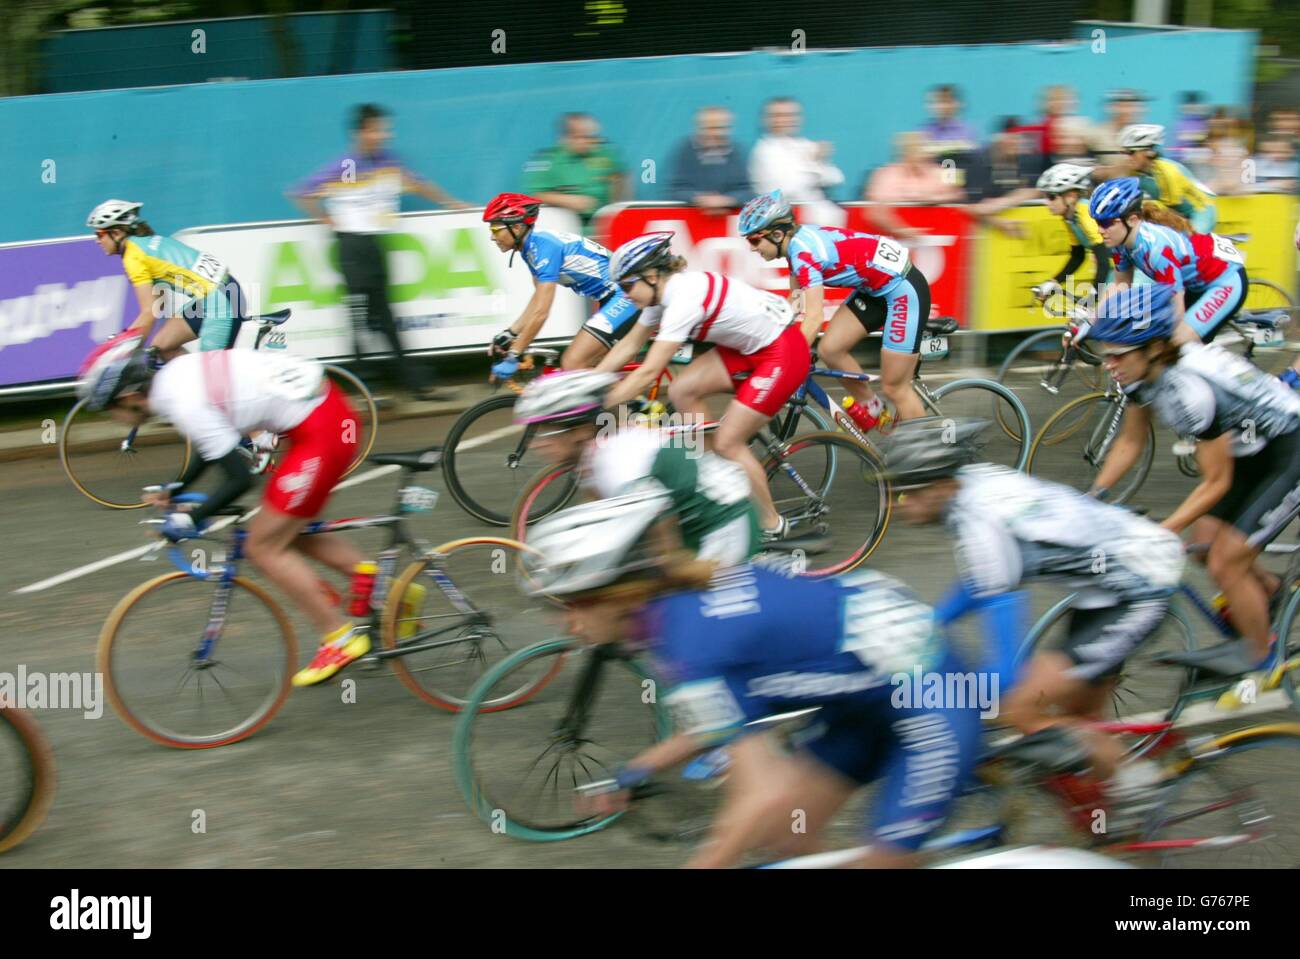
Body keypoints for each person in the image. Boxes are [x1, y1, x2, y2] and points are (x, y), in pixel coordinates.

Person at [521, 490, 982, 868]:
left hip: (932, 700)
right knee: (788, 835)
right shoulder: (675, 615)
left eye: (573, 605)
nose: (566, 624)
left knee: (878, 861)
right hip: (867, 700)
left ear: (620, 593)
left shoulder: (689, 644)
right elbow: (717, 719)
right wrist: (632, 773)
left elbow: (760, 791)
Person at [883, 416, 1185, 821]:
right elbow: (981, 582)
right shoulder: (969, 485)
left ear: (940, 485)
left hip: (1142, 588)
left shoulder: (982, 523)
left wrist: (945, 692)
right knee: (1077, 721)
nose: (897, 506)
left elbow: (1005, 669)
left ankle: (1139, 784)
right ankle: (1107, 824)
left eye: (906, 494)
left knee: (1019, 708)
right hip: (1106, 591)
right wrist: (930, 623)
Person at [77, 341, 380, 688]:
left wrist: (187, 520)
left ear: (128, 396)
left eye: (109, 410)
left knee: (262, 546)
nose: (114, 420)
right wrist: (177, 487)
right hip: (325, 418)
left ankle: (339, 637)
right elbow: (215, 443)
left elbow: (240, 478)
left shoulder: (180, 402)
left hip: (320, 433)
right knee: (285, 529)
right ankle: (375, 581)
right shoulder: (174, 378)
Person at [1088, 285, 1300, 671]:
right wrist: (1094, 494)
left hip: (1290, 449)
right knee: (1203, 543)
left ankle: (1260, 656)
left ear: (1153, 349)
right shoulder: (1140, 373)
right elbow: (1130, 442)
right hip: (1252, 452)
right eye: (1106, 353)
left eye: (1117, 354)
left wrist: (1163, 530)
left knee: (1226, 560)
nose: (1109, 363)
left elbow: (1215, 482)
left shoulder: (1192, 392)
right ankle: (1266, 594)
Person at [594, 231, 811, 543]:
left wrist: (602, 403)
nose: (625, 294)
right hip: (749, 347)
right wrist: (592, 381)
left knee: (728, 442)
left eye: (628, 285)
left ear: (653, 275)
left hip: (782, 351)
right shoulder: (661, 296)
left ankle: (773, 526)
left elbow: (649, 371)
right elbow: (628, 345)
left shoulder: (683, 300)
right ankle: (716, 474)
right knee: (682, 391)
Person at [290, 103, 466, 403]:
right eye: (376, 130)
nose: (383, 135)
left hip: (375, 247)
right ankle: (366, 387)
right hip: (351, 247)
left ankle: (412, 384)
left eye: (384, 129)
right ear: (361, 132)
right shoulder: (345, 166)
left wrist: (452, 203)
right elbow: (301, 192)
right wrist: (326, 220)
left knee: (385, 317)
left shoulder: (390, 162)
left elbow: (419, 184)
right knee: (360, 319)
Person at [513, 369, 760, 566]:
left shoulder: (619, 462)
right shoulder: (589, 454)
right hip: (692, 522)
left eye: (546, 432)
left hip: (725, 528)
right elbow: (594, 511)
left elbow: (667, 555)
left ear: (580, 430)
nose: (536, 444)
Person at [739, 189, 928, 427]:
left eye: (754, 240)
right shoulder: (793, 247)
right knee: (830, 350)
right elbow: (795, 304)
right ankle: (874, 410)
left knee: (895, 387)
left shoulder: (804, 254)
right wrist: (765, 338)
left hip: (903, 289)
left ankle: (930, 453)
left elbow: (814, 318)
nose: (752, 248)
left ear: (777, 234)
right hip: (875, 290)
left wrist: (786, 361)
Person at [481, 192, 640, 373]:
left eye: (495, 229)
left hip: (625, 296)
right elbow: (537, 300)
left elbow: (541, 313)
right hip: (614, 297)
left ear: (516, 227)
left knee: (573, 363)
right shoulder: (530, 247)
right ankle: (630, 401)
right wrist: (511, 333)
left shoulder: (543, 247)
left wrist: (515, 353)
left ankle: (629, 400)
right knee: (604, 369)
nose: (492, 237)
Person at [1086, 177, 1244, 345]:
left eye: (1106, 223)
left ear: (1132, 220)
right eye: (1098, 223)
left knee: (1176, 344)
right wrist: (1091, 321)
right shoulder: (1120, 243)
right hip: (1193, 285)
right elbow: (1120, 285)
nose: (1100, 230)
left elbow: (1176, 308)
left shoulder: (1157, 250)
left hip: (1225, 281)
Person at [86, 199, 244, 358]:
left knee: (210, 375)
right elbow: (158, 306)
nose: (97, 240)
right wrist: (127, 339)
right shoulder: (144, 243)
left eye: (100, 234)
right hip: (221, 292)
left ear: (117, 233)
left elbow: (149, 312)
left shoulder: (133, 256)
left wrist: (127, 353)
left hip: (219, 300)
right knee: (161, 346)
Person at [522, 113, 627, 234]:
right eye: (580, 136)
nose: (587, 141)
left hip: (604, 226)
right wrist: (569, 200)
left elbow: (620, 177)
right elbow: (536, 195)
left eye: (590, 136)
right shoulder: (548, 160)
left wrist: (616, 205)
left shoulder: (606, 154)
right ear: (566, 138)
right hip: (565, 228)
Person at [749, 97, 845, 227]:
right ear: (767, 120)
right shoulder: (764, 151)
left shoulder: (804, 144)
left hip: (821, 221)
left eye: (791, 115)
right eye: (779, 115)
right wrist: (814, 164)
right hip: (784, 223)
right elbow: (789, 188)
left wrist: (815, 166)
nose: (786, 120)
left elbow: (836, 178)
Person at [1030, 163, 1110, 303]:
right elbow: (1077, 256)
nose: (1046, 202)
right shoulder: (1069, 216)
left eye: (1051, 196)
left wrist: (1093, 298)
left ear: (1071, 196)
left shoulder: (1086, 214)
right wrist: (1053, 282)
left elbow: (1104, 262)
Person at [863, 131, 964, 240]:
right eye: (916, 149)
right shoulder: (885, 175)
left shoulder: (943, 171)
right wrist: (901, 231)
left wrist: (934, 198)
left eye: (924, 149)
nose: (924, 154)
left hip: (938, 244)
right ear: (905, 153)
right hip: (892, 242)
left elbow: (959, 196)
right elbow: (875, 213)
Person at [1117, 124, 1217, 233]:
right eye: (1124, 152)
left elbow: (1171, 214)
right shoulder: (1136, 172)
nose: (1126, 158)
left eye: (1131, 152)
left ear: (1148, 152)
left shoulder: (1168, 172)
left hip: (1202, 212)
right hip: (1179, 212)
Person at [667, 106, 751, 213]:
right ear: (699, 128)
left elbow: (746, 190)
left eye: (720, 128)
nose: (715, 133)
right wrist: (701, 199)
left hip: (728, 221)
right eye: (709, 128)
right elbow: (675, 190)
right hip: (692, 218)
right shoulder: (685, 150)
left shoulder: (736, 151)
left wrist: (727, 200)